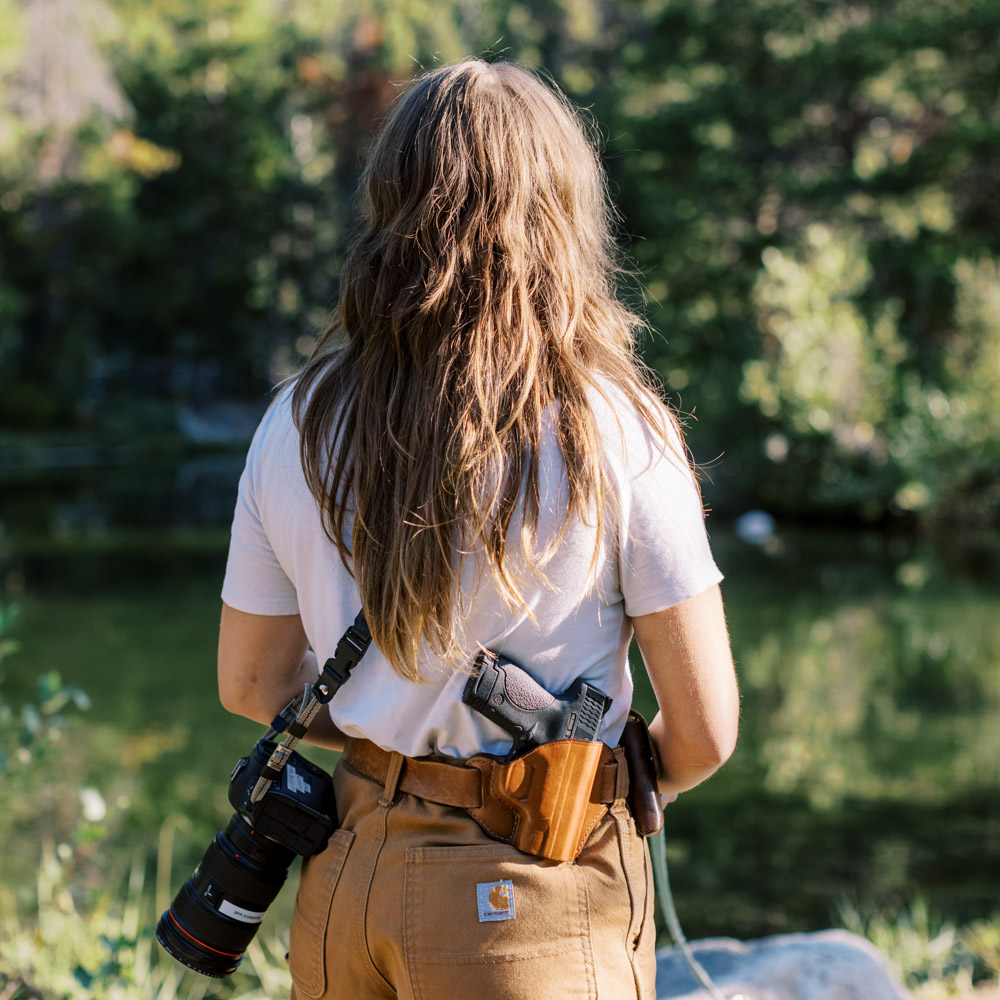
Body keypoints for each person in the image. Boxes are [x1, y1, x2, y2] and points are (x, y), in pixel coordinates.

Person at [217, 59, 738, 1000]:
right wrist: (563, 781)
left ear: (388, 207)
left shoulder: (295, 419)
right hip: (527, 901)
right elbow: (704, 733)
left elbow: (252, 683)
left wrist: (397, 745)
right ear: (563, 217)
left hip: (347, 886)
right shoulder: (611, 427)